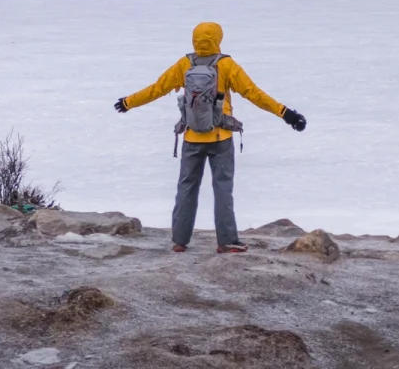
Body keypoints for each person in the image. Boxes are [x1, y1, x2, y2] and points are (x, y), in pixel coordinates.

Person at [114, 21, 307, 253]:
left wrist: (128, 102)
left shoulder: (185, 64)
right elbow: (254, 94)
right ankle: (226, 241)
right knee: (222, 188)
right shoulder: (226, 65)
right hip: (221, 136)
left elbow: (158, 88)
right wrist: (286, 113)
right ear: (219, 39)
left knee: (186, 187)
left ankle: (179, 241)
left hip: (191, 137)